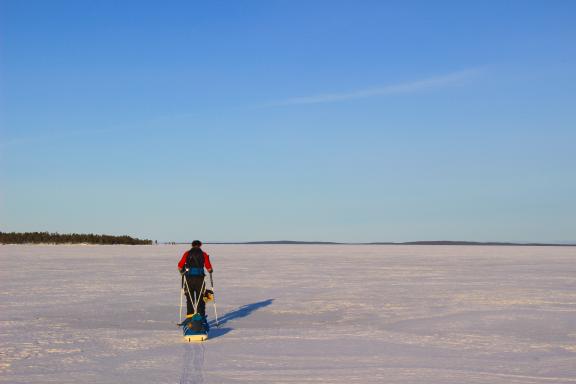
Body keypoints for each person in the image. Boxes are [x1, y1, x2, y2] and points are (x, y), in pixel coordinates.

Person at [178, 240, 213, 320]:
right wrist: (210, 271)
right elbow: (209, 268)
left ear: (192, 245)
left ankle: (190, 317)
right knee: (201, 298)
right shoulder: (204, 254)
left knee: (189, 298)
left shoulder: (187, 253)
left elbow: (180, 266)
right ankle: (201, 316)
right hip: (200, 279)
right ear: (200, 245)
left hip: (188, 279)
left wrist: (182, 272)